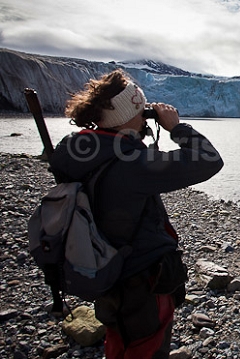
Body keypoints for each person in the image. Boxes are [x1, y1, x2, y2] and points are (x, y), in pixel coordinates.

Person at [49, 69, 224, 358]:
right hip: (142, 282)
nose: (146, 116)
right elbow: (209, 160)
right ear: (124, 115)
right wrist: (177, 128)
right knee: (146, 347)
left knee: (121, 343)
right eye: (140, 110)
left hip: (106, 271)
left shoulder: (81, 149)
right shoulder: (130, 164)